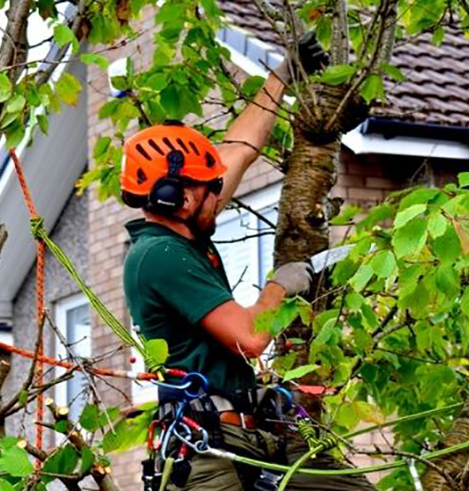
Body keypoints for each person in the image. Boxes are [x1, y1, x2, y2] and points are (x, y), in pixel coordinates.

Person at [121, 34, 375, 491]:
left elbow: (239, 149)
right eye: (208, 188)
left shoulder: (183, 225)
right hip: (209, 446)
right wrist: (280, 285)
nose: (219, 193)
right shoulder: (160, 257)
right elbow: (252, 339)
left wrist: (282, 75)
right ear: (174, 198)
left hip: (262, 428)